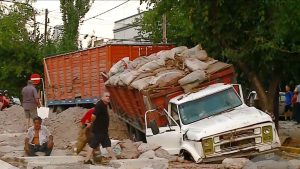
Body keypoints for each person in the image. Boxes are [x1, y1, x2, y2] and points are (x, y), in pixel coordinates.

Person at [84, 92, 116, 164]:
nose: (108, 97)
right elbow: (93, 115)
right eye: (106, 96)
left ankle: (114, 159)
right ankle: (86, 160)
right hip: (99, 129)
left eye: (109, 96)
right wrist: (92, 122)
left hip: (103, 130)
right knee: (93, 144)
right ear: (102, 97)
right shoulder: (99, 105)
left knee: (107, 144)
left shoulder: (104, 105)